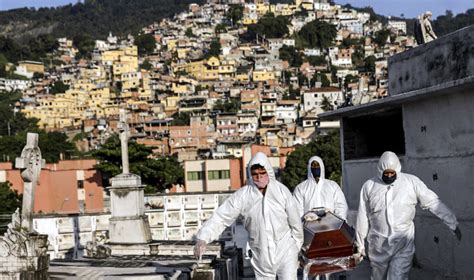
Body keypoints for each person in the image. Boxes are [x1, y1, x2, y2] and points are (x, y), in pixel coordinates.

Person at [194, 152, 304, 279]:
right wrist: (203, 238)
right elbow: (222, 216)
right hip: (260, 253)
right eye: (255, 174)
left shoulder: (282, 192)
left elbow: (295, 224)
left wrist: (294, 249)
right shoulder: (243, 195)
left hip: (285, 250)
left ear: (268, 171)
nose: (259, 177)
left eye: (262, 173)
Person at [355, 151, 462, 280]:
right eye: (386, 173)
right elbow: (363, 217)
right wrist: (360, 245)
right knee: (378, 277)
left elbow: (433, 202)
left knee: (398, 277)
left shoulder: (411, 183)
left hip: (403, 243)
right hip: (378, 245)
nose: (389, 176)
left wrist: (452, 223)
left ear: (397, 170)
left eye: (392, 173)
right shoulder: (369, 186)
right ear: (380, 170)